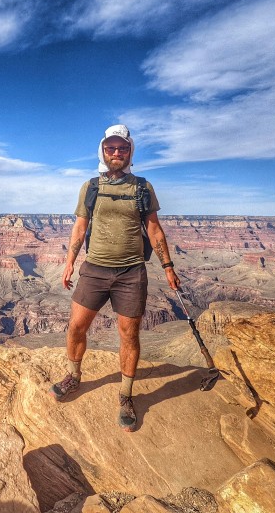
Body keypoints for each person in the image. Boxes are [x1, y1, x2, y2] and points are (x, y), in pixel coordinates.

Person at [49, 124, 180, 432]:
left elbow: (154, 229)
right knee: (76, 327)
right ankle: (74, 376)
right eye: (111, 148)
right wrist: (69, 262)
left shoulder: (142, 188)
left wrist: (168, 266)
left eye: (122, 148)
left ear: (130, 152)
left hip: (131, 272)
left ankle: (125, 395)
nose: (116, 153)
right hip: (94, 269)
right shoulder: (91, 187)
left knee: (129, 336)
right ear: (103, 152)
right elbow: (80, 227)